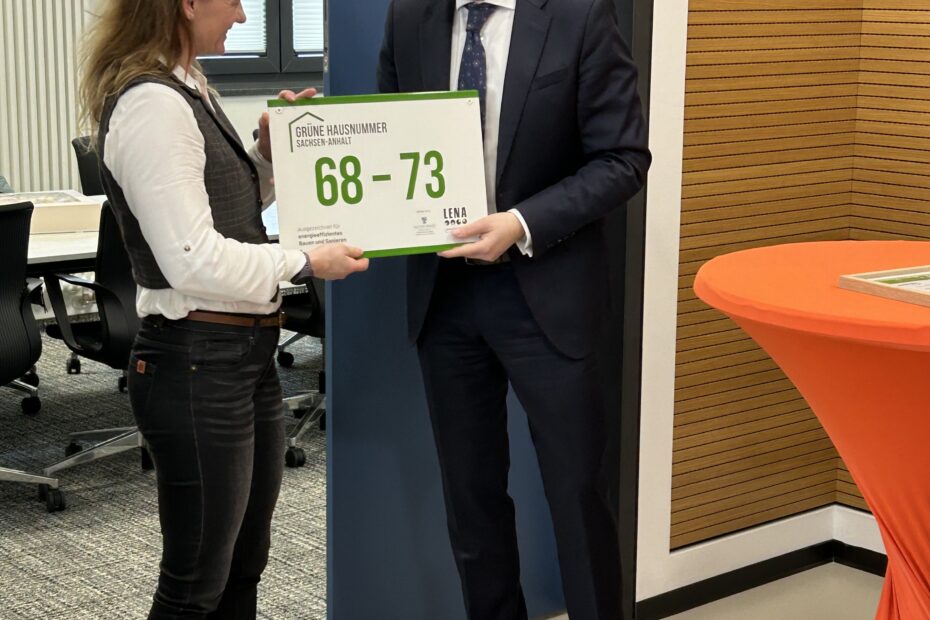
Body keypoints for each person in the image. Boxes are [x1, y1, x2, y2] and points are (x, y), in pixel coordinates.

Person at [79, 1, 368, 618]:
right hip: (195, 364)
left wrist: (265, 157)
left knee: (243, 565)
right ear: (187, 5)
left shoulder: (190, 88)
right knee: (195, 585)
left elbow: (224, 211)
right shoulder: (153, 105)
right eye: (232, 0)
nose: (241, 14)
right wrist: (304, 262)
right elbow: (193, 261)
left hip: (243, 356)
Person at [378, 0, 650, 618]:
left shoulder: (580, 16)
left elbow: (622, 158)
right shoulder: (410, 18)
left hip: (548, 294)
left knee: (578, 497)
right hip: (445, 299)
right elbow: (384, 142)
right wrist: (302, 143)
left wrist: (521, 223)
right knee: (470, 501)